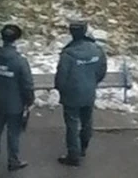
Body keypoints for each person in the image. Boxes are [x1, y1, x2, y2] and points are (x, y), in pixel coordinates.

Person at [54, 19, 107, 167]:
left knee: (72, 124)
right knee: (87, 120)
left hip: (71, 94)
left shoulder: (68, 54)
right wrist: (92, 82)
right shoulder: (96, 50)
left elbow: (61, 77)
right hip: (89, 91)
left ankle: (73, 155)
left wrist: (61, 90)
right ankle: (84, 146)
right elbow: (101, 70)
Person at [0, 24, 34, 171]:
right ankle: (13, 161)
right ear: (16, 40)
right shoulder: (20, 61)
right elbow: (27, 84)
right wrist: (29, 101)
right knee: (13, 133)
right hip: (15, 103)